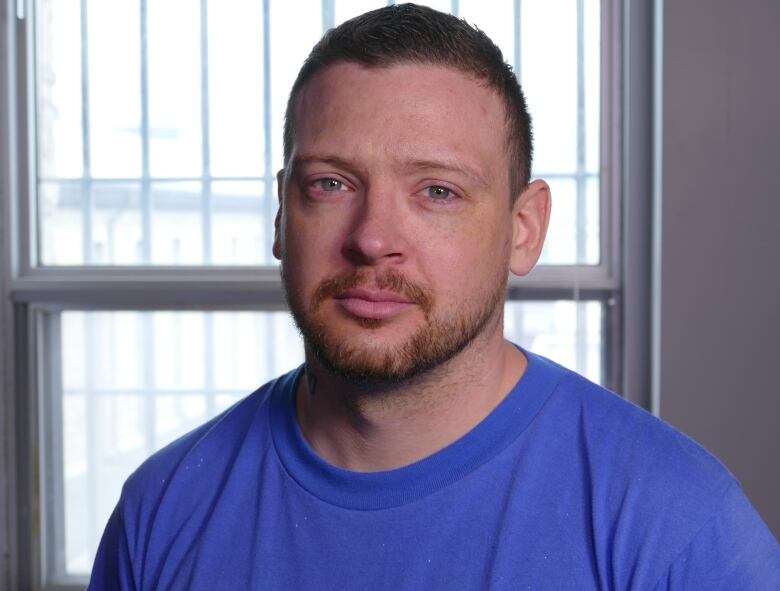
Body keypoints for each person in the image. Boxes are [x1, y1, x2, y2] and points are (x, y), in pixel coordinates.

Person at [89, 4, 780, 589]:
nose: (373, 238)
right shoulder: (161, 512)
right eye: (331, 183)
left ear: (523, 229)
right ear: (281, 213)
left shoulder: (676, 527)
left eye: (438, 191)